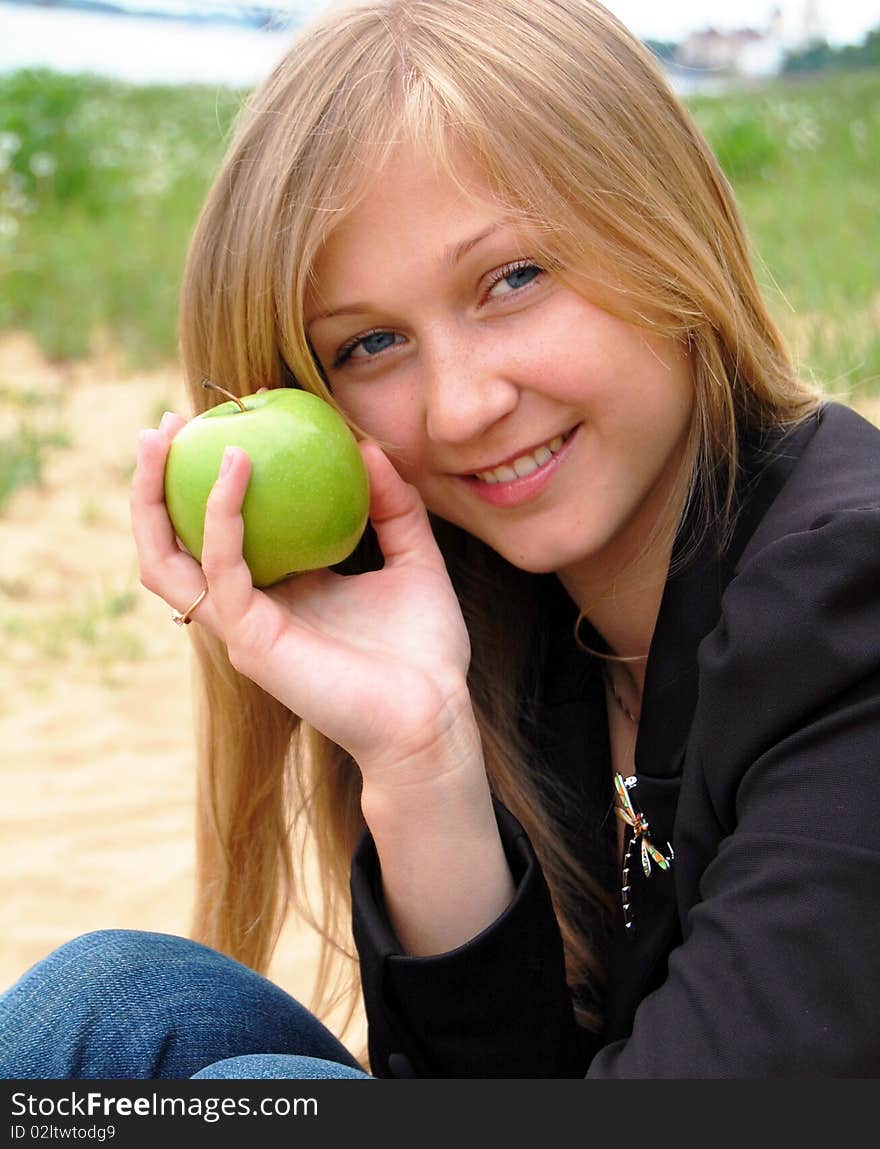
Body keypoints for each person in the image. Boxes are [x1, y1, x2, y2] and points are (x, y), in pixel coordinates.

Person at [2, 0, 879, 1080]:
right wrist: (420, 760)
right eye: (370, 344)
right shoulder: (511, 616)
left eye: (512, 279)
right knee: (109, 1008)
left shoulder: (852, 601)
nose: (460, 408)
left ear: (667, 225)